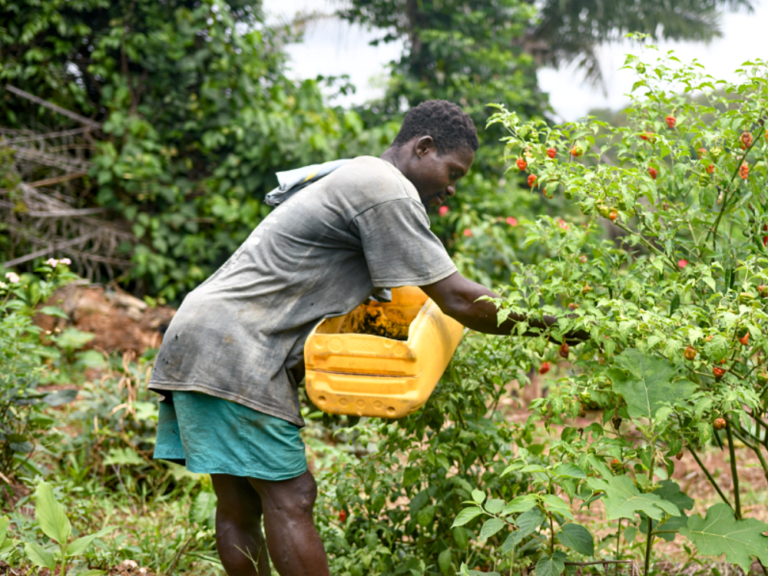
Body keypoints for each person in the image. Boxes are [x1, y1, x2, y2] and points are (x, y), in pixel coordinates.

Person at [148, 100, 581, 576]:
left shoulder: (356, 175)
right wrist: (564, 327)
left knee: (238, 503)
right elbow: (456, 299)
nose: (452, 188)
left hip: (201, 335)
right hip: (238, 351)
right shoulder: (384, 188)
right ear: (423, 147)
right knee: (292, 496)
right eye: (452, 171)